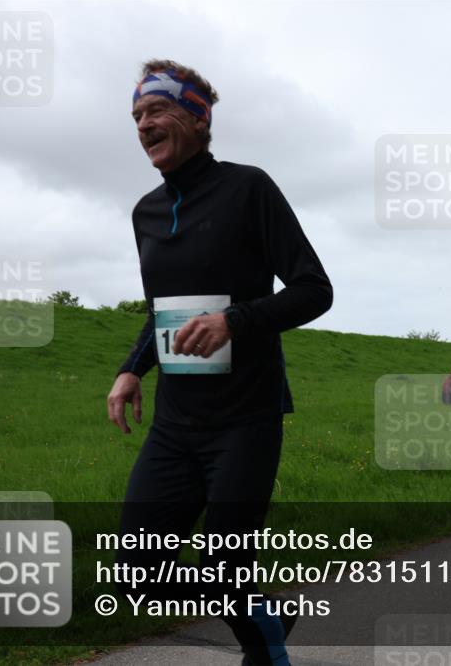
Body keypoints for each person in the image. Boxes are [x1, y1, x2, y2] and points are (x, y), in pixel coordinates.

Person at [106, 60, 333, 666]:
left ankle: (265, 649)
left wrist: (234, 320)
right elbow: (158, 309)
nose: (143, 125)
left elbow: (314, 290)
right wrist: (133, 368)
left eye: (156, 111)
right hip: (176, 426)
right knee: (135, 574)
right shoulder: (144, 213)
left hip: (246, 420)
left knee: (226, 565)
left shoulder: (248, 188)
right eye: (136, 116)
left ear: (197, 118)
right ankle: (267, 610)